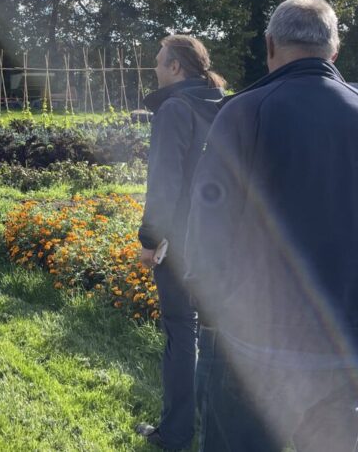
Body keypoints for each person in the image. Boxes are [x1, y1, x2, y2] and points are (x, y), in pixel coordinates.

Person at [185, 0, 358, 452]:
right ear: (334, 50)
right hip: (351, 338)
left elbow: (207, 221)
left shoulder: (244, 112)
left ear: (270, 44)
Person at [134, 36, 225, 451]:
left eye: (158, 62)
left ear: (175, 68)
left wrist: (150, 240)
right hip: (223, 236)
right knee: (216, 333)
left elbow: (165, 181)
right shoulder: (225, 105)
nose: (154, 69)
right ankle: (214, 426)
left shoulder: (174, 109)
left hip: (181, 239)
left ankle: (175, 432)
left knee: (180, 330)